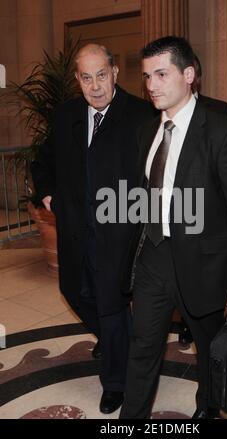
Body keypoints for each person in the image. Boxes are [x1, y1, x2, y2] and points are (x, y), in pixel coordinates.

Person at [119, 36, 227, 419]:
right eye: (147, 76)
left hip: (205, 265)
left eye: (161, 74)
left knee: (209, 350)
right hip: (154, 258)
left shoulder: (222, 132)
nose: (151, 85)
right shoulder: (146, 132)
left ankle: (207, 411)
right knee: (143, 345)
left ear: (189, 75)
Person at [31, 43, 155, 414]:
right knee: (73, 290)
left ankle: (116, 382)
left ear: (115, 73)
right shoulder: (66, 114)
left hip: (118, 232)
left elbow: (155, 177)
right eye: (87, 78)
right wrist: (48, 191)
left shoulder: (140, 115)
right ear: (78, 80)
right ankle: (115, 340)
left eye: (102, 75)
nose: (96, 86)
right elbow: (44, 161)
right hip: (75, 230)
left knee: (112, 304)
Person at [178, 53, 227, 348]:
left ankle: (197, 324)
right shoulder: (157, 113)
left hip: (207, 208)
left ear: (193, 75)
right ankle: (187, 321)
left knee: (202, 279)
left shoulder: (219, 110)